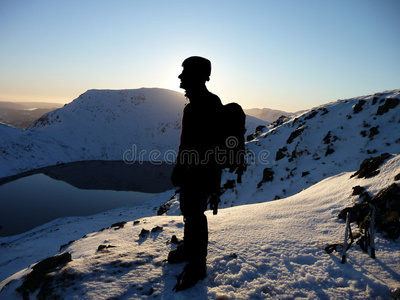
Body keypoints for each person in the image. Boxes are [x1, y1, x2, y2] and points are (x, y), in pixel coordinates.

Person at [169, 56, 223, 291]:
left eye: (185, 73)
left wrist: (195, 169)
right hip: (193, 169)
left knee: (195, 213)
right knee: (189, 210)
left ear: (198, 76)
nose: (180, 77)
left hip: (202, 170)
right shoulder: (195, 104)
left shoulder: (207, 104)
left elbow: (208, 143)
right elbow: (187, 143)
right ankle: (190, 249)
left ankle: (198, 264)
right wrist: (180, 166)